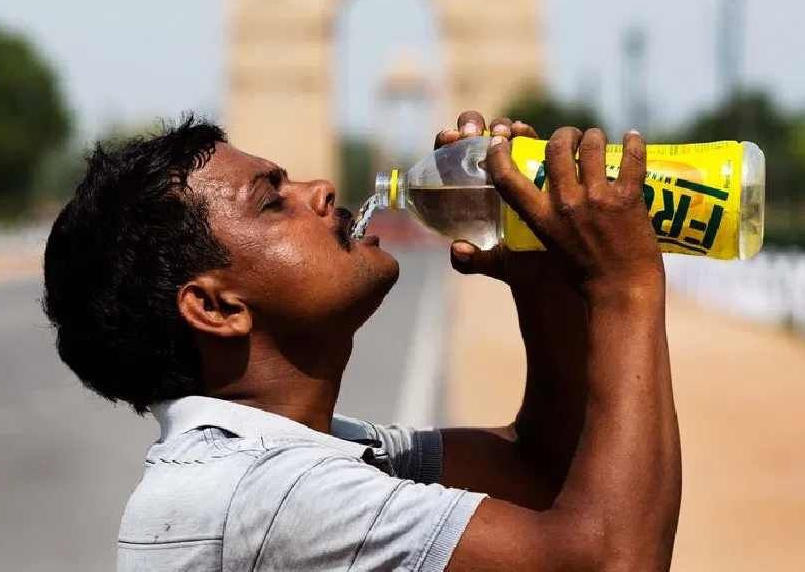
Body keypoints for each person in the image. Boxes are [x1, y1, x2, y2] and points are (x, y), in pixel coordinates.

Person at [42, 110, 681, 571]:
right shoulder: (267, 496)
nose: (320, 190)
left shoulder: (292, 457)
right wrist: (624, 289)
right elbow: (611, 561)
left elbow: (540, 470)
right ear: (216, 306)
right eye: (272, 202)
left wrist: (538, 278)